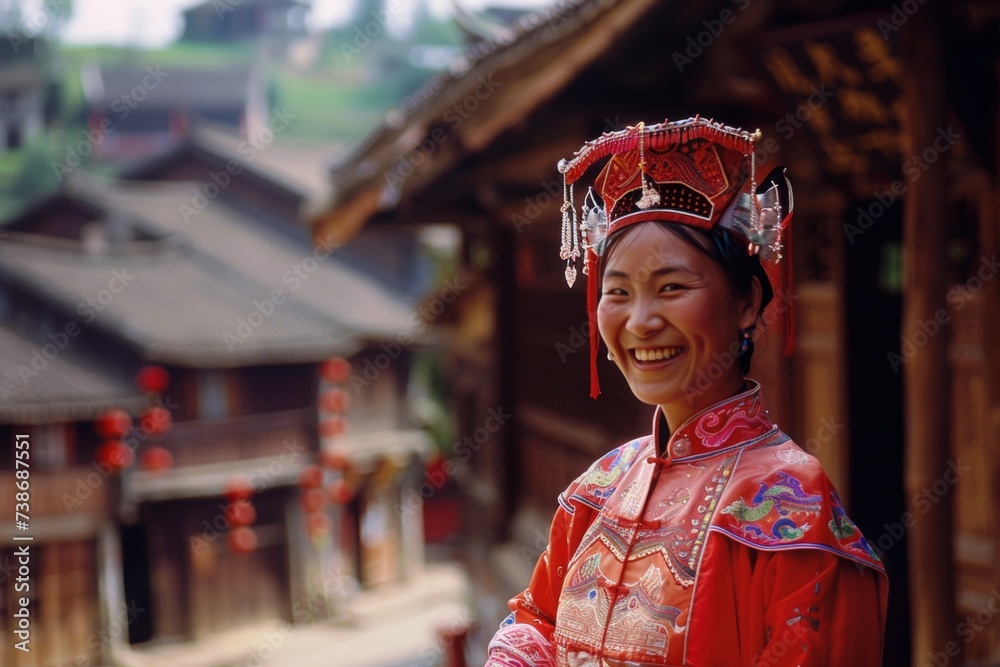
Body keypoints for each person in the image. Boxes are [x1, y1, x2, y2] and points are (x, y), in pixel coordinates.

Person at [484, 117, 887, 666]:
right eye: (618, 291)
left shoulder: (791, 510)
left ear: (746, 303)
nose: (641, 321)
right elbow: (537, 619)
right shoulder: (596, 490)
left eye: (672, 287)